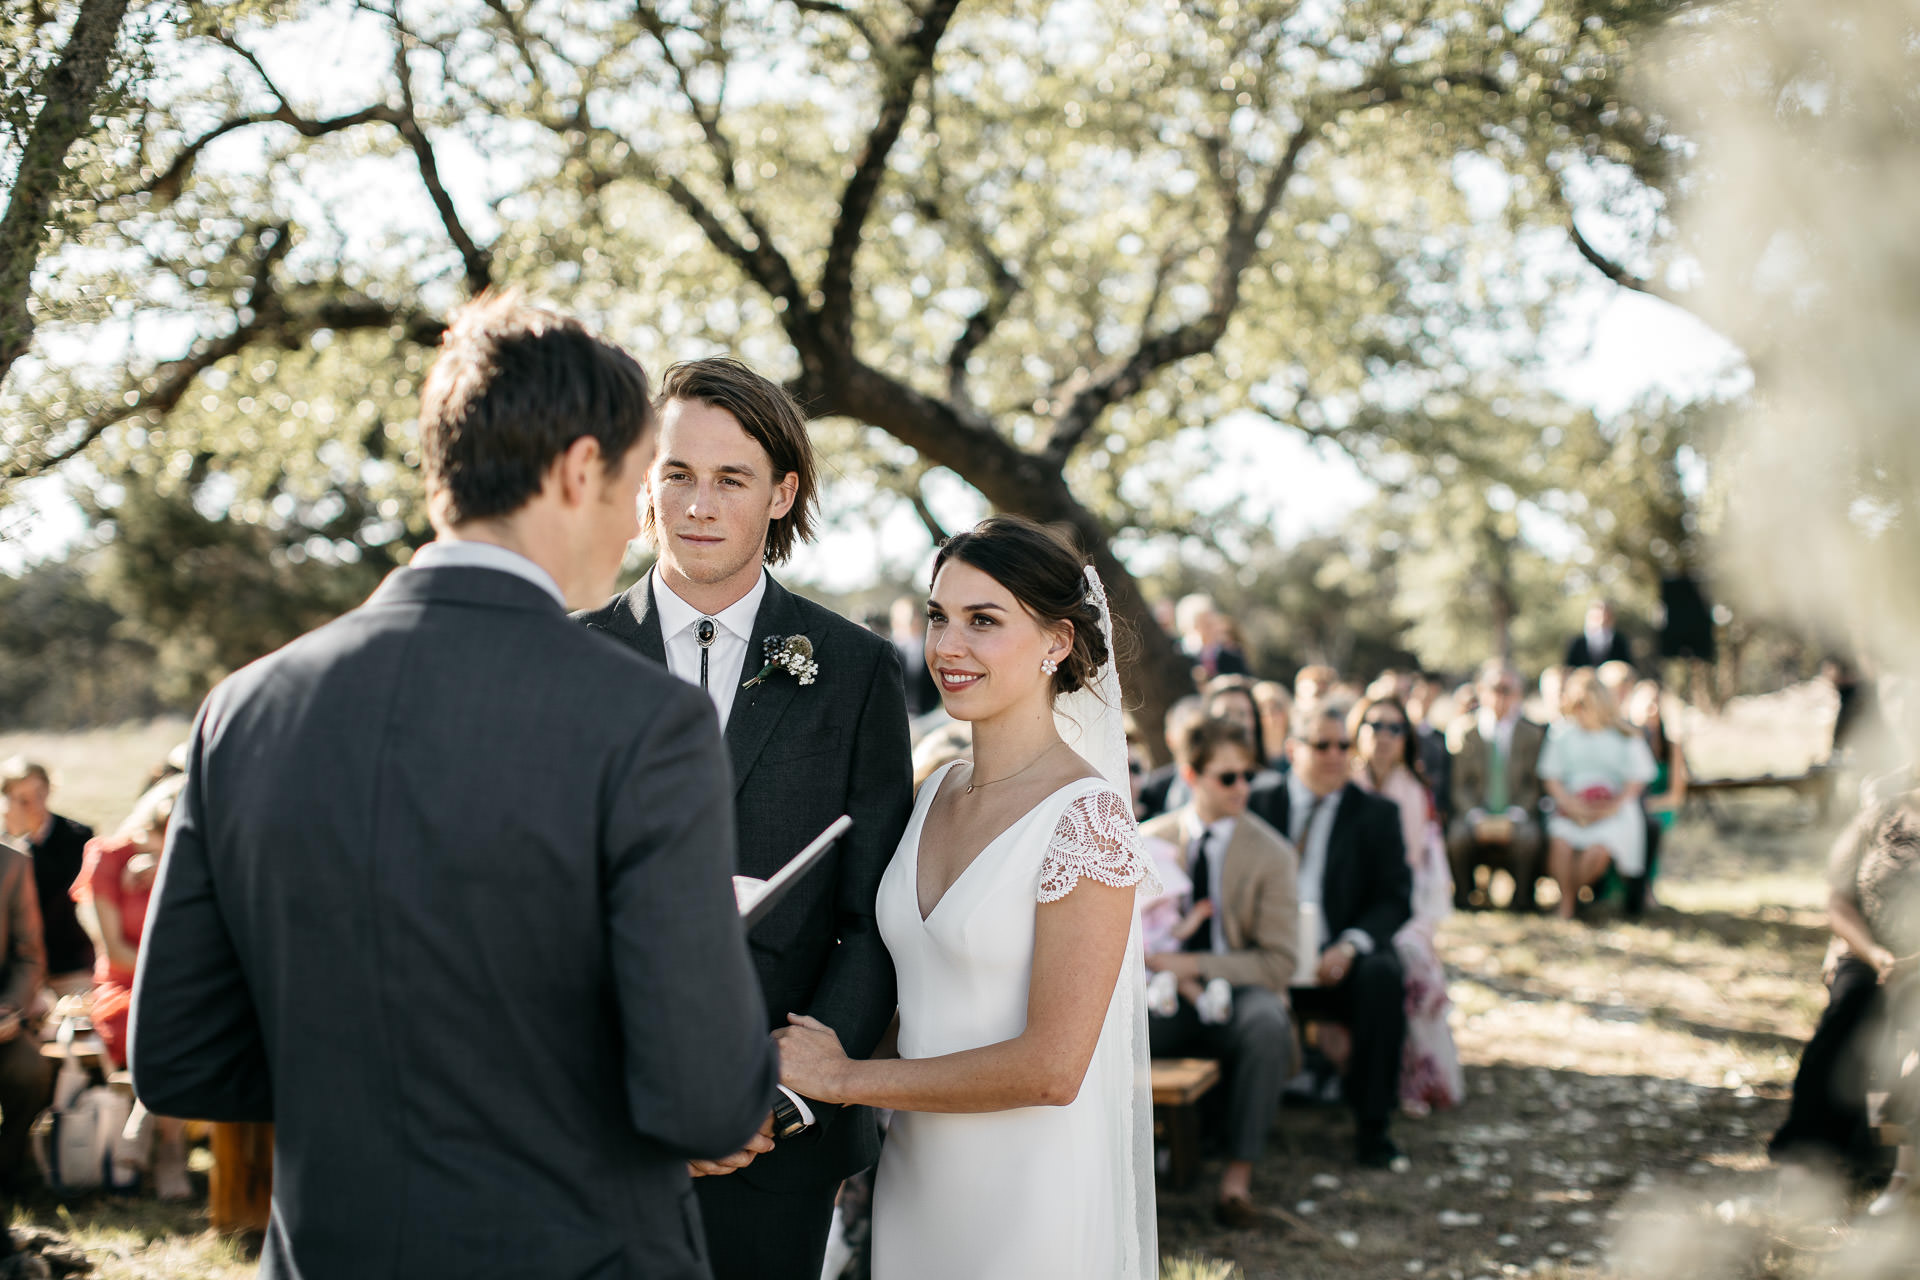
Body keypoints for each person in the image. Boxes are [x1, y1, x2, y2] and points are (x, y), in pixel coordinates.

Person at [131, 294, 777, 1278]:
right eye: (641, 482)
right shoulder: (643, 722)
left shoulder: (245, 708)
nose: (643, 523)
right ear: (578, 470)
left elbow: (178, 1050)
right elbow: (704, 1098)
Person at [576, 356, 913, 1280]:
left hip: (776, 1141)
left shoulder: (853, 671)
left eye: (731, 479)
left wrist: (783, 1097)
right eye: (676, 473)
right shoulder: (565, 661)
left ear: (781, 492)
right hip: (592, 1126)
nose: (699, 503)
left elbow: (870, 919)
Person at [773, 515, 1158, 1280]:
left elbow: (1053, 1066)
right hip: (919, 1178)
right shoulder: (934, 790)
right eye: (940, 616)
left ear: (1056, 642)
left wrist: (845, 1079)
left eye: (984, 621)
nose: (948, 646)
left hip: (1030, 1195)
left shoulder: (1088, 819)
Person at [1141, 717, 1299, 1225]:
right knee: (1112, 1031)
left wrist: (1194, 963)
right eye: (1227, 777)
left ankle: (1237, 1179)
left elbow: (1278, 962)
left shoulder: (1272, 853)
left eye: (1247, 775)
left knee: (1267, 1024)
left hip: (1239, 989)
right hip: (1160, 992)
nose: (1242, 788)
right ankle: (1127, 1170)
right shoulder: (1149, 841)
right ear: (1191, 776)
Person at [1261, 701, 1414, 1168]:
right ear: (1292, 748)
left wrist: (1350, 945)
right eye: (1321, 745)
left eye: (1343, 745)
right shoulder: (1258, 802)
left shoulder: (1376, 814)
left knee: (1384, 974)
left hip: (1337, 955)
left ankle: (1373, 1128)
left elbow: (1394, 898)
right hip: (1266, 951)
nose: (1335, 755)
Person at [1770, 762, 1920, 1214]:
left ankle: (1886, 1156)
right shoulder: (1879, 816)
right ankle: (1808, 1157)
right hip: (1869, 951)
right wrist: (1876, 954)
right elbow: (1838, 901)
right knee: (1846, 1014)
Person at [72, 770, 192, 1198]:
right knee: (174, 1019)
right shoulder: (107, 856)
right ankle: (171, 1152)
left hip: (184, 990)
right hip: (126, 988)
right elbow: (116, 951)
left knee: (187, 1013)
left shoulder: (192, 862)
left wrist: (167, 865)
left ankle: (149, 1119)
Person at [1348, 696, 1463, 1114]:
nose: (1382, 736)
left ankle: (1414, 1077)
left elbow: (1409, 867)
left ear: (1406, 738)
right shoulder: (1345, 781)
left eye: (1395, 728)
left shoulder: (1412, 791)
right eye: (1374, 724)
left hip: (1402, 900)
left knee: (1411, 959)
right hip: (1346, 900)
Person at [1538, 669, 1658, 919]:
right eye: (1576, 704)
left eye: (1585, 704)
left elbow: (1637, 779)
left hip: (1613, 810)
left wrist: (1611, 807)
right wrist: (1571, 805)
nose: (1580, 711)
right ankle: (1567, 904)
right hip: (1570, 806)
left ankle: (1574, 897)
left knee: (1598, 850)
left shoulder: (1625, 736)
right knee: (1560, 844)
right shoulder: (1563, 734)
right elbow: (1551, 778)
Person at [1448, 661, 1549, 911]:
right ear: (1482, 690)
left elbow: (1533, 784)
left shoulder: (1531, 734)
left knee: (1529, 836)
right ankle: (1464, 897)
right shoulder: (1464, 731)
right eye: (1495, 688)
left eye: (1507, 689)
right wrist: (1475, 814)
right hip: (1477, 811)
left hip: (1516, 811)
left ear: (1518, 694)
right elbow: (1459, 785)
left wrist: (1516, 813)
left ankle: (1522, 899)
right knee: (1456, 837)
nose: (1500, 696)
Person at [0, 759, 96, 995]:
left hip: (67, 955)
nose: (34, 805)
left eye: (39, 794)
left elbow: (67, 888)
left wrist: (25, 843)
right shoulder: (4, 847)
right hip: (15, 964)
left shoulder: (77, 835)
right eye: (23, 799)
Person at [0, 816, 49, 1251]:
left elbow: (28, 956)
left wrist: (10, 1008)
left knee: (31, 1071)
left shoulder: (12, 863)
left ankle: (9, 1168)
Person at [1628, 680, 1688, 910]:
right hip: (1631, 805)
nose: (1652, 709)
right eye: (1646, 703)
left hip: (1660, 806)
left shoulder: (1671, 746)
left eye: (1656, 703)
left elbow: (1675, 795)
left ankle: (1646, 888)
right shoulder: (1627, 739)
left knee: (1650, 825)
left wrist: (1645, 805)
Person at [1137, 694, 1205, 820]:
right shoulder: (1152, 790)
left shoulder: (1232, 781)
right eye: (1189, 737)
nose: (1196, 745)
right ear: (1169, 739)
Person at [891, 595, 943, 718]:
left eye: (915, 615)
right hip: (895, 717)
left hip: (927, 716)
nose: (912, 619)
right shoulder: (888, 650)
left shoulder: (934, 648)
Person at [1177, 594, 1249, 680]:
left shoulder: (1231, 653)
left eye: (1212, 623)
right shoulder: (1182, 655)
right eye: (1205, 625)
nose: (1212, 630)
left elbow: (1247, 679)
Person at [1565, 599, 1634, 669]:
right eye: (1597, 617)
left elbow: (1626, 666)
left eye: (1605, 617)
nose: (1601, 621)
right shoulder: (1578, 642)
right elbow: (1570, 666)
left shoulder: (1619, 641)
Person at [1252, 681, 1293, 771]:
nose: (1270, 714)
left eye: (1276, 707)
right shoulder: (1247, 757)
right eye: (1262, 709)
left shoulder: (1299, 752)